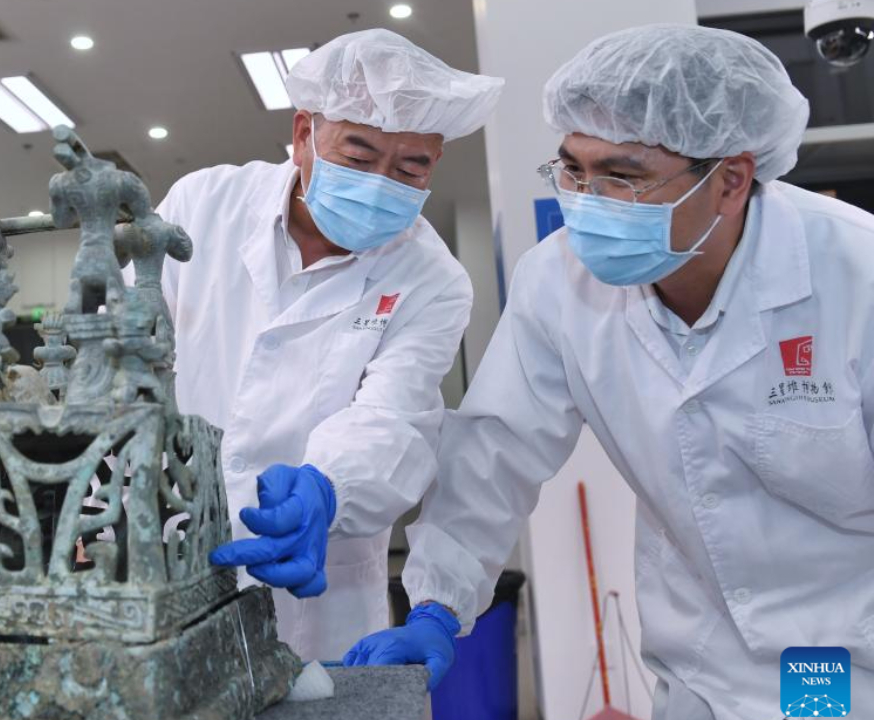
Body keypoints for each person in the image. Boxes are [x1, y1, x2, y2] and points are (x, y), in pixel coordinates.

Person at [347, 23, 874, 716]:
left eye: (622, 177)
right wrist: (436, 607)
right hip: (698, 668)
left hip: (856, 659)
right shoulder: (557, 283)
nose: (586, 202)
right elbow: (495, 452)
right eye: (572, 169)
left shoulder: (855, 274)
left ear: (731, 181)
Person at [148, 28, 504, 662]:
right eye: (360, 157)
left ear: (435, 163)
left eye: (410, 167)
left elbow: (394, 416)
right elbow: (126, 364)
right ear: (303, 133)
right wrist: (103, 506)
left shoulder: (432, 278)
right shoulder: (204, 205)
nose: (381, 183)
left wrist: (326, 487)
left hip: (322, 583)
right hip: (167, 549)